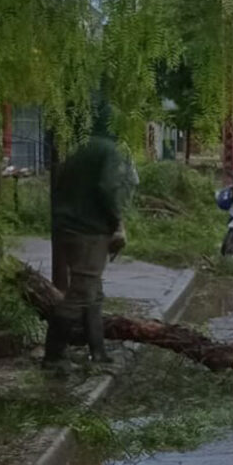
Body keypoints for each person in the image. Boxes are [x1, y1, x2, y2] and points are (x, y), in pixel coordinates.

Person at [44, 124, 136, 370]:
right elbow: (108, 188)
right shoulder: (110, 150)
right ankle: (53, 356)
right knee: (82, 292)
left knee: (93, 292)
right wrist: (117, 222)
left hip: (68, 226)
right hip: (88, 230)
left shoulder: (80, 147)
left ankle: (98, 352)